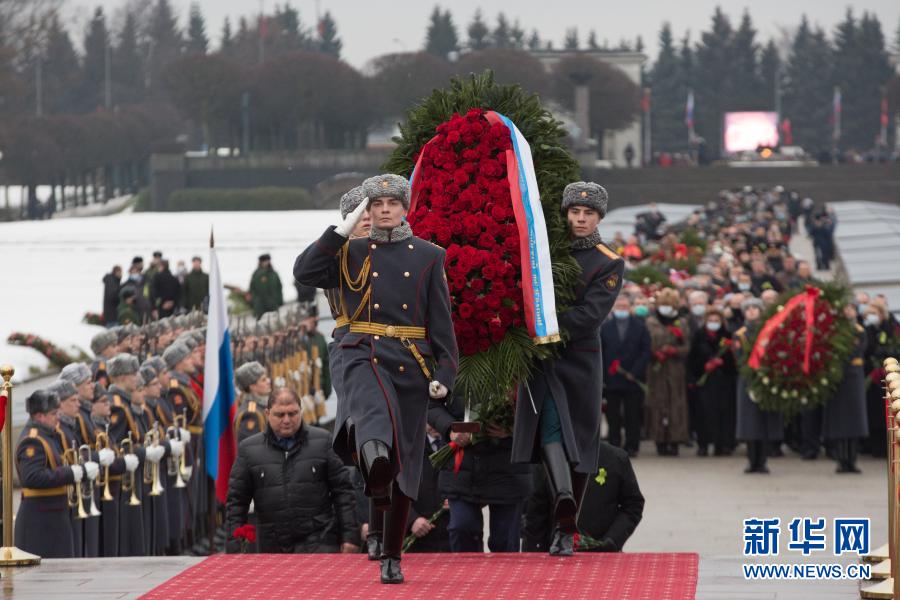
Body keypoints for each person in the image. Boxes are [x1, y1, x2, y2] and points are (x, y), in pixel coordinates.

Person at [294, 173, 458, 584]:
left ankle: (391, 552)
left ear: (405, 208)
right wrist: (340, 230)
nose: (383, 211)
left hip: (411, 360)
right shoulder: (349, 250)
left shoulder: (428, 255)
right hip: (362, 352)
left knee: (405, 462)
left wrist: (444, 374)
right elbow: (305, 271)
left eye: (391, 204)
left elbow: (441, 325)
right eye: (375, 205)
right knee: (373, 417)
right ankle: (374, 467)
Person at [512, 181, 624, 557]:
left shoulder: (608, 261)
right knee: (549, 426)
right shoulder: (547, 251)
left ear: (598, 218)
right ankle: (562, 503)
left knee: (579, 446)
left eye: (588, 214)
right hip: (542, 359)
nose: (580, 219)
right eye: (575, 212)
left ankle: (567, 524)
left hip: (578, 360)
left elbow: (590, 315)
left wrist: (543, 321)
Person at [225, 388, 360, 554]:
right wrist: (234, 547)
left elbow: (343, 492)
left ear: (301, 411)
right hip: (272, 547)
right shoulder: (249, 450)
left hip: (320, 542)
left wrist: (350, 537)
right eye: (280, 415)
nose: (287, 420)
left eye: (293, 413)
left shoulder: (323, 442)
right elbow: (236, 502)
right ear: (267, 413)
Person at [429, 394, 531, 554]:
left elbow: (536, 403)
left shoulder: (517, 370)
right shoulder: (448, 368)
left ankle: (504, 579)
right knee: (462, 527)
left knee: (505, 541)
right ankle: (466, 577)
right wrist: (450, 429)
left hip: (508, 467)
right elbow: (431, 404)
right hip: (462, 466)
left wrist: (513, 427)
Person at [523, 442, 644, 554]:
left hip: (604, 553)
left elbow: (633, 505)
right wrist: (536, 554)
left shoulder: (616, 458)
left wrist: (612, 540)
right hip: (557, 553)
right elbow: (535, 514)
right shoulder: (550, 459)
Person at [734, 298, 783, 474]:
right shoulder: (740, 334)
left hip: (765, 378)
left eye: (755, 308)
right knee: (749, 423)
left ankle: (762, 460)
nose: (752, 311)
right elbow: (739, 358)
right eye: (748, 309)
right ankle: (751, 459)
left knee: (763, 421)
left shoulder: (768, 330)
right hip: (748, 379)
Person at [601, 294, 651, 456]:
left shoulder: (640, 327)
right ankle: (614, 445)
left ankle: (632, 445)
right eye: (619, 307)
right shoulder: (605, 327)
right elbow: (600, 352)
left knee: (633, 414)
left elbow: (645, 351)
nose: (621, 309)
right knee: (613, 415)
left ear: (630, 308)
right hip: (612, 379)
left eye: (624, 307)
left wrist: (634, 371)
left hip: (633, 379)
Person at [822, 306, 869, 473]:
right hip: (838, 379)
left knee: (854, 423)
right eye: (845, 309)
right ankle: (841, 460)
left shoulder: (859, 331)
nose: (848, 312)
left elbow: (857, 351)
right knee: (840, 422)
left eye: (851, 309)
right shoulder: (834, 331)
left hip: (853, 379)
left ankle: (852, 460)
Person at [645, 288, 690, 456]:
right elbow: (644, 343)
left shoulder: (682, 322)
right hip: (656, 369)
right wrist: (654, 352)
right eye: (664, 304)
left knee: (676, 404)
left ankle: (675, 440)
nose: (666, 307)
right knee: (658, 402)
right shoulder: (650, 322)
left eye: (669, 305)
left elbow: (686, 347)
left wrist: (675, 350)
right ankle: (659, 439)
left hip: (675, 369)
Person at [687, 307, 737, 456]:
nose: (713, 323)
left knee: (724, 413)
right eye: (711, 320)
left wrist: (723, 362)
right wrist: (704, 366)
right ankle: (703, 444)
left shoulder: (727, 336)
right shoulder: (699, 336)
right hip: (705, 381)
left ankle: (722, 445)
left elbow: (734, 362)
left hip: (723, 381)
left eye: (716, 321)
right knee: (704, 413)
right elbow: (692, 359)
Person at [404, 425, 451, 553]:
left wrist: (459, 499)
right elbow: (392, 488)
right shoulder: (407, 446)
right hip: (417, 537)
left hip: (454, 535)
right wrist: (411, 519)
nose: (435, 424)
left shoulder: (462, 444)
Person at [234, 361, 271, 444]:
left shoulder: (260, 406)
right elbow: (250, 447)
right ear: (252, 386)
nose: (268, 381)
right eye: (263, 380)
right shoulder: (252, 413)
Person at [249, 254, 284, 319]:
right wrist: (255, 302)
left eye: (267, 261)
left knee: (274, 321)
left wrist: (280, 300)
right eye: (264, 261)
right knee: (261, 323)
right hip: (260, 306)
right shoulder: (256, 274)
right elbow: (252, 289)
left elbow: (279, 287)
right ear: (260, 262)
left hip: (273, 303)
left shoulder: (274, 274)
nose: (266, 263)